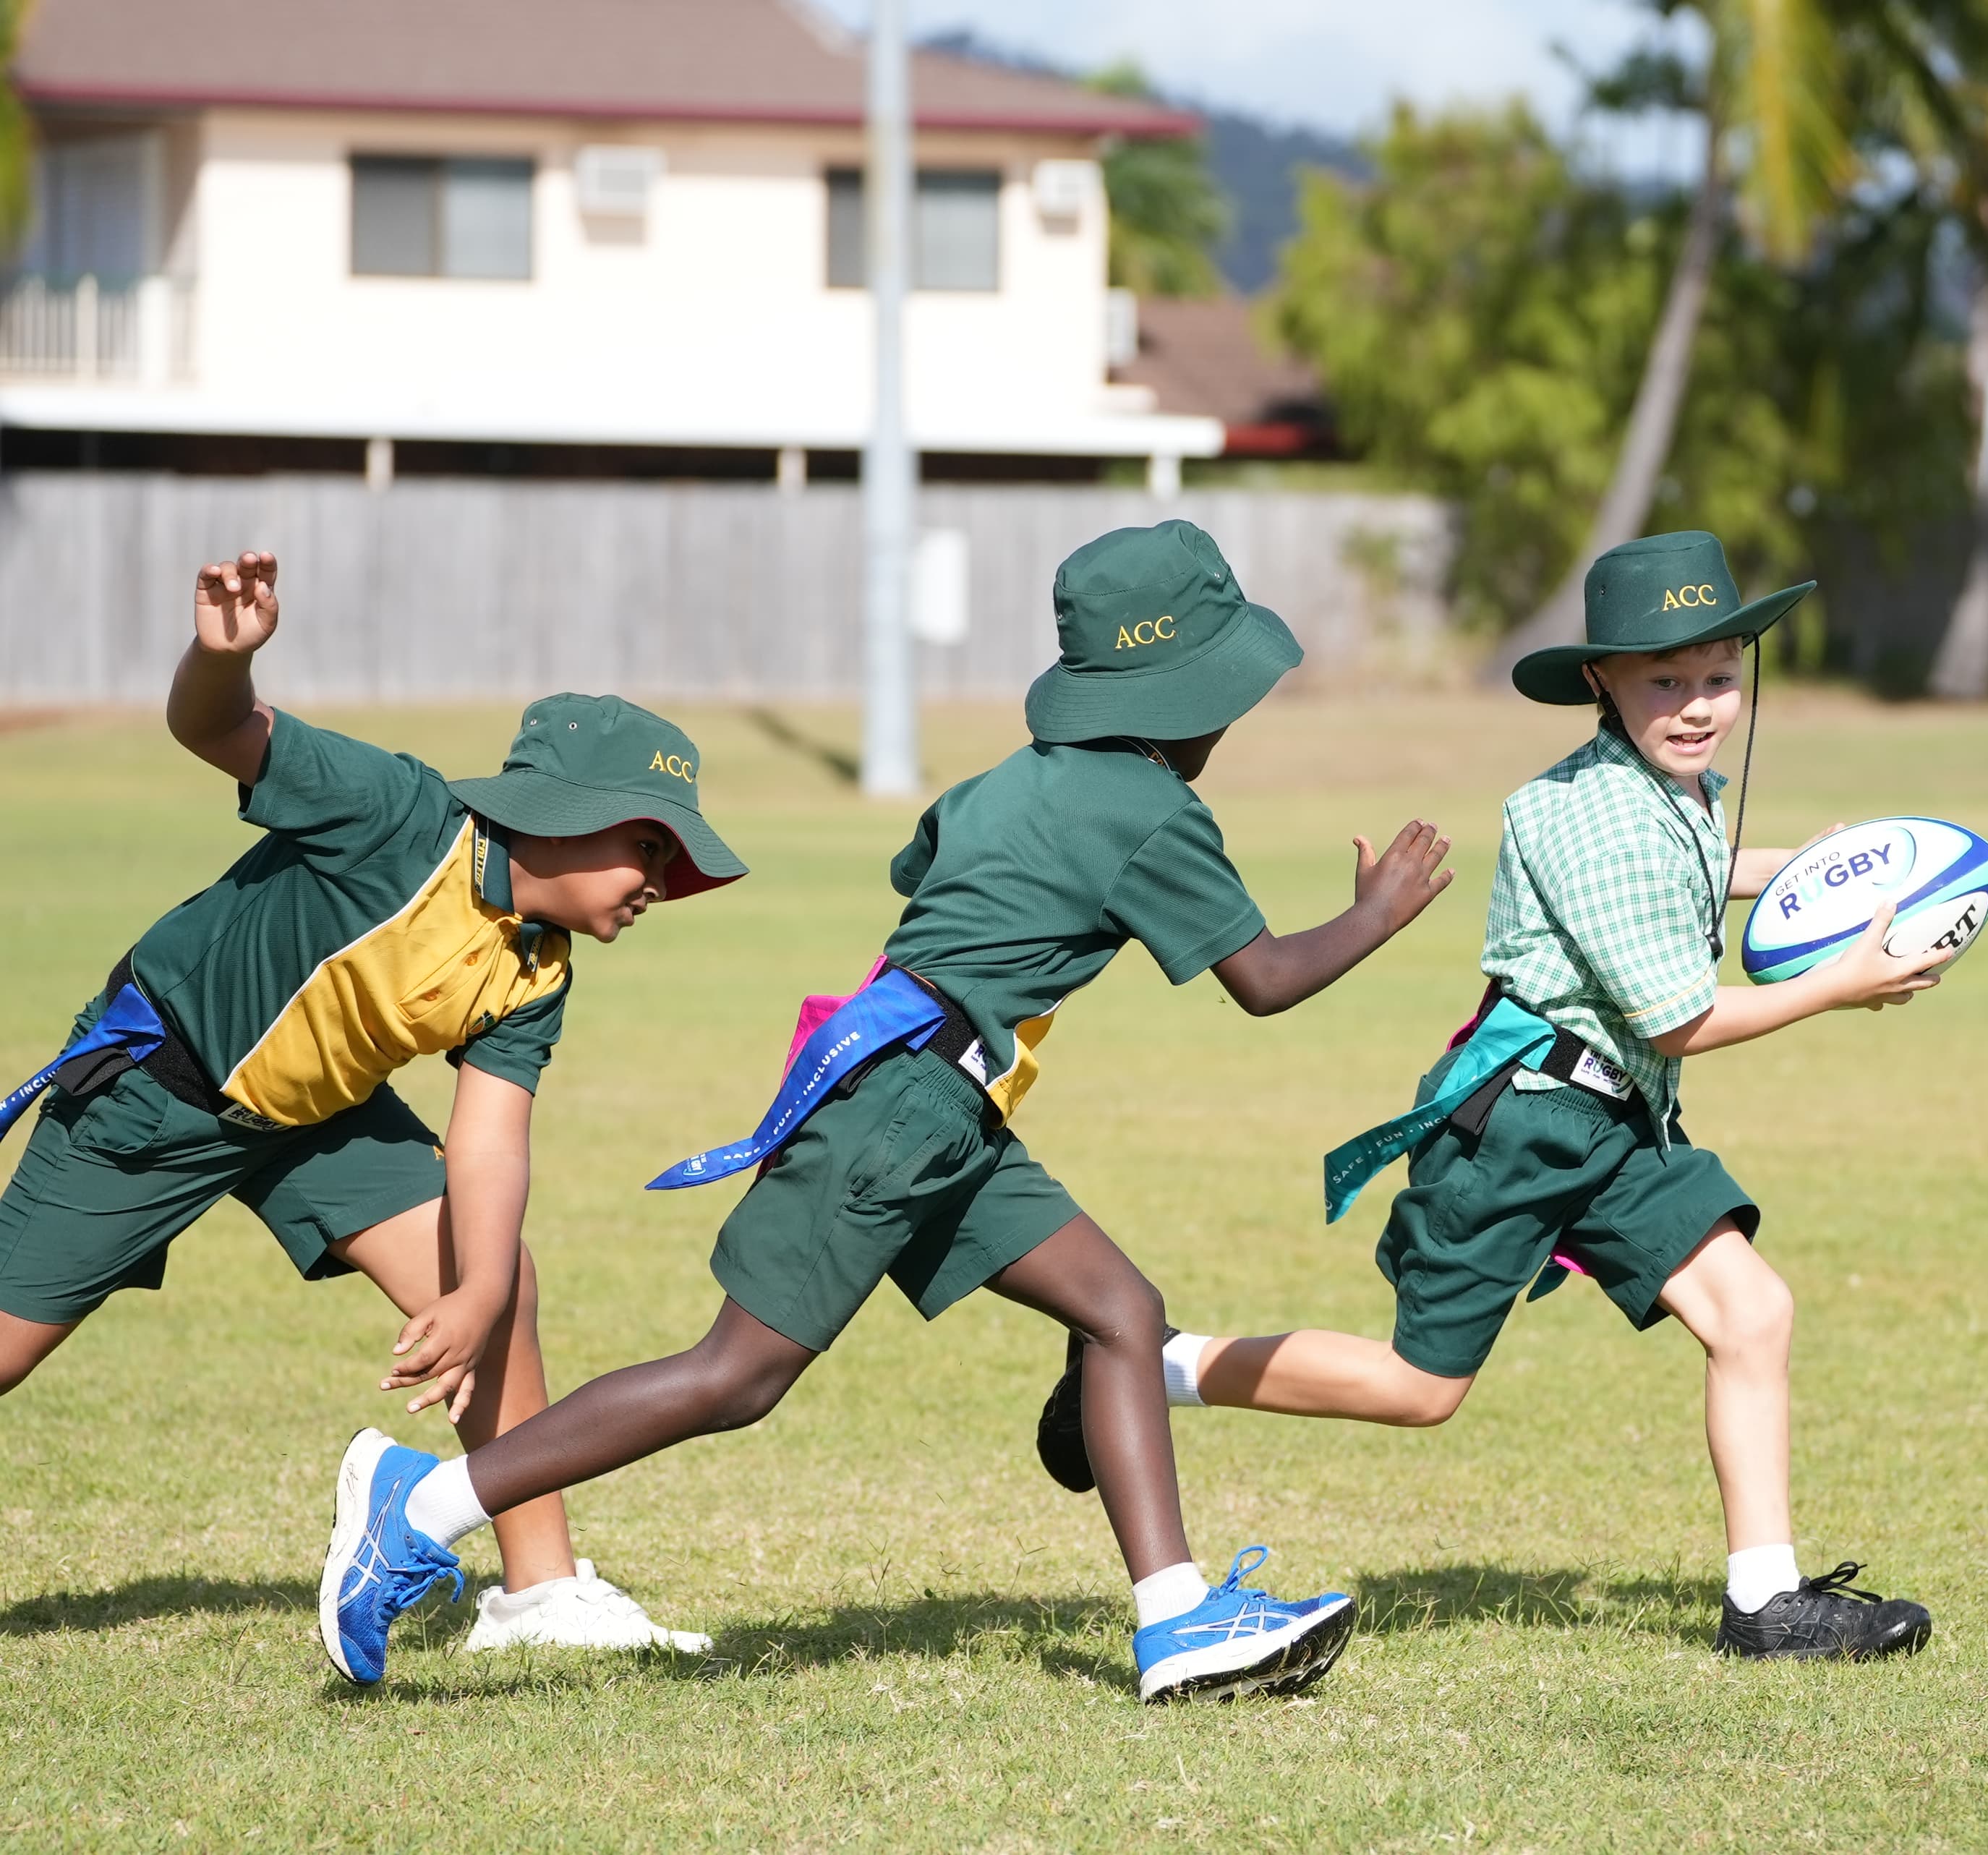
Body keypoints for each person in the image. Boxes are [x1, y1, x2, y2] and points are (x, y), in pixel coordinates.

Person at [318, 520, 1456, 1701]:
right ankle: (424, 1504)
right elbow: (1263, 980)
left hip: (917, 1086)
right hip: (910, 1107)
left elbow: (925, 868)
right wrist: (1374, 914)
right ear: (1182, 693)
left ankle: (1176, 1620)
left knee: (1121, 1309)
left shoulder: (1005, 783)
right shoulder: (1153, 809)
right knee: (733, 1377)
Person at [1035, 532, 1947, 1661]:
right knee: (1422, 1388)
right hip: (1521, 1125)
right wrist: (1840, 979)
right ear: (1602, 682)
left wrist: (1808, 866)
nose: (1701, 704)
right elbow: (1679, 1020)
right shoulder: (1591, 816)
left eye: (1719, 675)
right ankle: (1152, 1367)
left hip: (1617, 1122)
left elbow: (1700, 858)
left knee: (1753, 1310)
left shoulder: (1669, 786)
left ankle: (1767, 1602)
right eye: (1667, 680)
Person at [0, 551, 740, 1654]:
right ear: (561, 814)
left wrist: (480, 1289)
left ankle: (540, 1596)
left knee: (500, 1274)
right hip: (155, 1097)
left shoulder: (537, 970)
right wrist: (221, 656)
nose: (658, 882)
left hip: (316, 1115)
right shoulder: (397, 814)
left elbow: (488, 1143)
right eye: (649, 845)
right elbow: (219, 732)